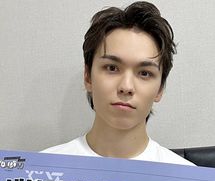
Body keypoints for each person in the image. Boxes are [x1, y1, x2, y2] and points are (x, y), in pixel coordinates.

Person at [43, 1, 194, 166]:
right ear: (88, 77)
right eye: (112, 68)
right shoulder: (40, 171)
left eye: (144, 73)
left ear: (160, 89)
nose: (126, 87)